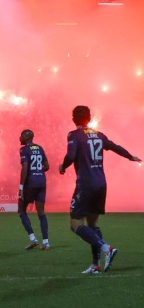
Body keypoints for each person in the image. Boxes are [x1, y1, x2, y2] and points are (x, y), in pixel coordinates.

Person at [60, 106, 140, 274]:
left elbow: (71, 156)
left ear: (73, 119)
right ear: (89, 118)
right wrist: (130, 156)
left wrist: (63, 166)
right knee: (92, 223)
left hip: (86, 184)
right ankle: (95, 264)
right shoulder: (98, 135)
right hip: (101, 183)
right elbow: (114, 146)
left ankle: (106, 248)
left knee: (75, 224)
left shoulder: (74, 135)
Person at [18, 129, 50, 250]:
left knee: (21, 210)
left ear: (26, 138)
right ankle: (46, 243)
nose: (19, 138)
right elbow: (47, 166)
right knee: (41, 212)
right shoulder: (40, 148)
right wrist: (38, 172)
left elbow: (25, 167)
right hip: (42, 181)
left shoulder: (24, 149)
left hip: (30, 183)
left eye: (21, 136)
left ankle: (33, 239)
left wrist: (21, 186)